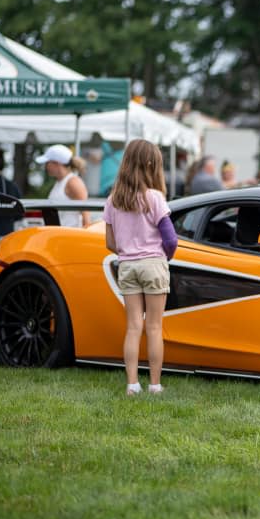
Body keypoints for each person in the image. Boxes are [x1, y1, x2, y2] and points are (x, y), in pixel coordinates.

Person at [103, 139, 178, 396]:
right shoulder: (154, 197)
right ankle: (155, 385)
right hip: (153, 264)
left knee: (133, 326)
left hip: (127, 266)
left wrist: (128, 251)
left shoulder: (113, 201)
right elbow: (170, 239)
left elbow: (110, 242)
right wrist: (161, 257)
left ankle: (132, 385)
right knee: (154, 327)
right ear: (150, 166)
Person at [36, 144, 90, 227]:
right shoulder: (60, 182)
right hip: (59, 236)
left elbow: (86, 218)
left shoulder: (73, 182)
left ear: (56, 163)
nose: (46, 167)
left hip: (69, 237)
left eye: (47, 163)